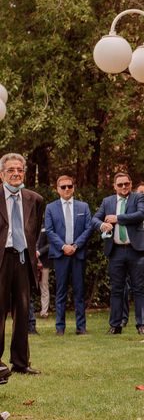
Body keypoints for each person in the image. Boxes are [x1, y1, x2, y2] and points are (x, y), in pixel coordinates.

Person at [0, 153, 43, 376]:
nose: (16, 174)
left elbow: (34, 231)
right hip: (1, 259)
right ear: (1, 175)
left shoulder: (34, 199)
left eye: (19, 170)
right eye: (11, 170)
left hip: (23, 258)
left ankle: (20, 362)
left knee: (23, 310)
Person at [92, 172, 144, 335]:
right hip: (115, 251)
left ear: (130, 184)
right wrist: (103, 225)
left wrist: (118, 218)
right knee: (117, 288)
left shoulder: (138, 198)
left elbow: (141, 214)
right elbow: (94, 219)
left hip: (135, 249)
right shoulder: (107, 201)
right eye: (120, 184)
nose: (124, 187)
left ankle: (142, 324)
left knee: (139, 288)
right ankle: (115, 325)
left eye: (127, 184)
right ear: (114, 186)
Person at [44, 175, 93, 336]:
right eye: (63, 187)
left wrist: (76, 246)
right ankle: (60, 327)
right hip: (60, 254)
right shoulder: (51, 208)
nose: (67, 189)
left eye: (69, 186)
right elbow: (49, 231)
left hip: (78, 254)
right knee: (61, 292)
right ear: (57, 189)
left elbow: (88, 228)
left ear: (73, 188)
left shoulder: (83, 207)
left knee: (79, 291)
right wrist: (64, 246)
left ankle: (81, 327)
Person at [121, 184, 144, 327]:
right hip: (133, 251)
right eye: (141, 192)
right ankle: (123, 318)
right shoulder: (128, 210)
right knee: (125, 285)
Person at [35, 228, 51, 318]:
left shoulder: (46, 225)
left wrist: (38, 252)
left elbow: (50, 244)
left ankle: (44, 312)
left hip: (43, 262)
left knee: (44, 286)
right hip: (29, 262)